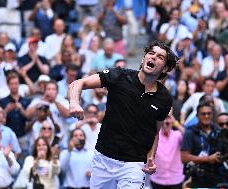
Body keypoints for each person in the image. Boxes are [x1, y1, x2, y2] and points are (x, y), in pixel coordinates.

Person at [68, 40, 177, 188]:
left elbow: (155, 132)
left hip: (134, 164)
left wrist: (150, 157)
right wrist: (74, 102)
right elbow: (78, 83)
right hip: (103, 158)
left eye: (160, 57)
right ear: (143, 58)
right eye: (151, 53)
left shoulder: (165, 98)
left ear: (165, 68)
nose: (153, 57)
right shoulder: (119, 76)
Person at [150, 112, 185, 189]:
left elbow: (188, 137)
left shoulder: (178, 135)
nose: (165, 124)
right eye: (163, 122)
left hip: (176, 180)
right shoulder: (154, 136)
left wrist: (175, 123)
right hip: (157, 180)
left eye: (168, 121)